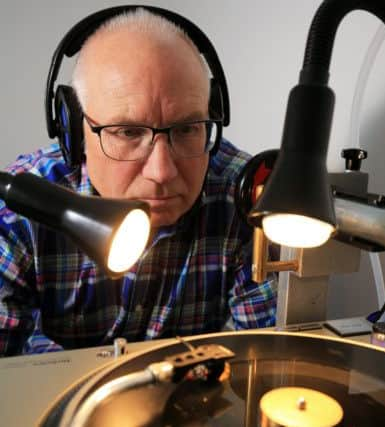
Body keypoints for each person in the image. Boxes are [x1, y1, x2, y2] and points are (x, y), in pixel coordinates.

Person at [0, 7, 276, 356]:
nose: (162, 172)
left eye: (188, 129)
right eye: (128, 132)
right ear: (74, 131)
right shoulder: (19, 216)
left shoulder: (245, 196)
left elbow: (268, 358)